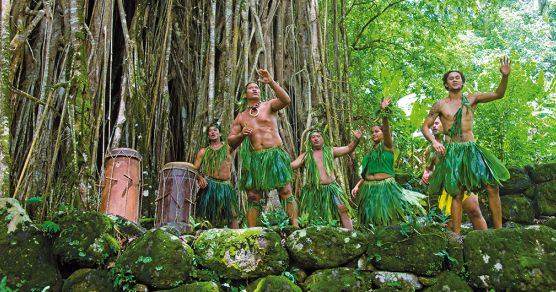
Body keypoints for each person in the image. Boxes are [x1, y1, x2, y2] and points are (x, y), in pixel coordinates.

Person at [421, 57, 511, 234]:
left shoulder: (472, 99)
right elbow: (425, 126)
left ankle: (500, 232)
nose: (455, 79)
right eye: (451, 78)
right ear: (446, 84)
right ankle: (456, 236)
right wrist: (433, 141)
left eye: (458, 77)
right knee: (457, 192)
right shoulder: (440, 104)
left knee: (492, 186)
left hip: (472, 148)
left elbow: (498, 94)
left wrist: (505, 77)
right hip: (454, 151)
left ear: (462, 82)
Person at [228, 69, 298, 227]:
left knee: (285, 191)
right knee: (253, 196)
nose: (254, 89)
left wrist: (271, 82)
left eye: (257, 87)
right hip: (255, 159)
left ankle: (294, 226)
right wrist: (241, 136)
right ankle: (252, 231)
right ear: (245, 95)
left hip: (274, 155)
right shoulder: (241, 117)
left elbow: (286, 100)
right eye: (250, 88)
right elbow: (231, 141)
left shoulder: (269, 106)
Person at [352, 98, 426, 227]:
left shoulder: (387, 147)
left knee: (387, 219)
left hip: (385, 187)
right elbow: (367, 172)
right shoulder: (370, 152)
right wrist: (358, 185)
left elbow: (386, 130)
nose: (373, 134)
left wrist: (384, 113)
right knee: (370, 220)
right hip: (369, 187)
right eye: (372, 132)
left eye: (376, 131)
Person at [421, 117, 487, 231]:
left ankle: (486, 241)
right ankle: (457, 244)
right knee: (450, 221)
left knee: (474, 211)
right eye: (432, 124)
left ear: (445, 124)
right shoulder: (430, 149)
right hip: (447, 187)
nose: (433, 126)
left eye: (436, 123)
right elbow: (429, 168)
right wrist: (426, 174)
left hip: (462, 181)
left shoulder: (455, 142)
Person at [291, 128, 362, 230]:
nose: (316, 139)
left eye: (318, 136)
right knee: (312, 214)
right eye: (313, 137)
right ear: (310, 141)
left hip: (332, 189)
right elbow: (293, 165)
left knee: (343, 209)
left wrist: (356, 140)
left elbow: (348, 148)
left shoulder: (331, 151)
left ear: (323, 139)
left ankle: (351, 235)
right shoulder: (306, 155)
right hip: (313, 190)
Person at [193, 124, 239, 228]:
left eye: (215, 130)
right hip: (210, 185)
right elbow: (194, 169)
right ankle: (209, 239)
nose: (212, 132)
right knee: (209, 214)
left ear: (220, 133)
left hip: (225, 186)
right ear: (208, 135)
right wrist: (200, 178)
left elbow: (238, 140)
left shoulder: (228, 148)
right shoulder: (203, 151)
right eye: (210, 131)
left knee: (233, 214)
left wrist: (243, 133)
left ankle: (237, 238)